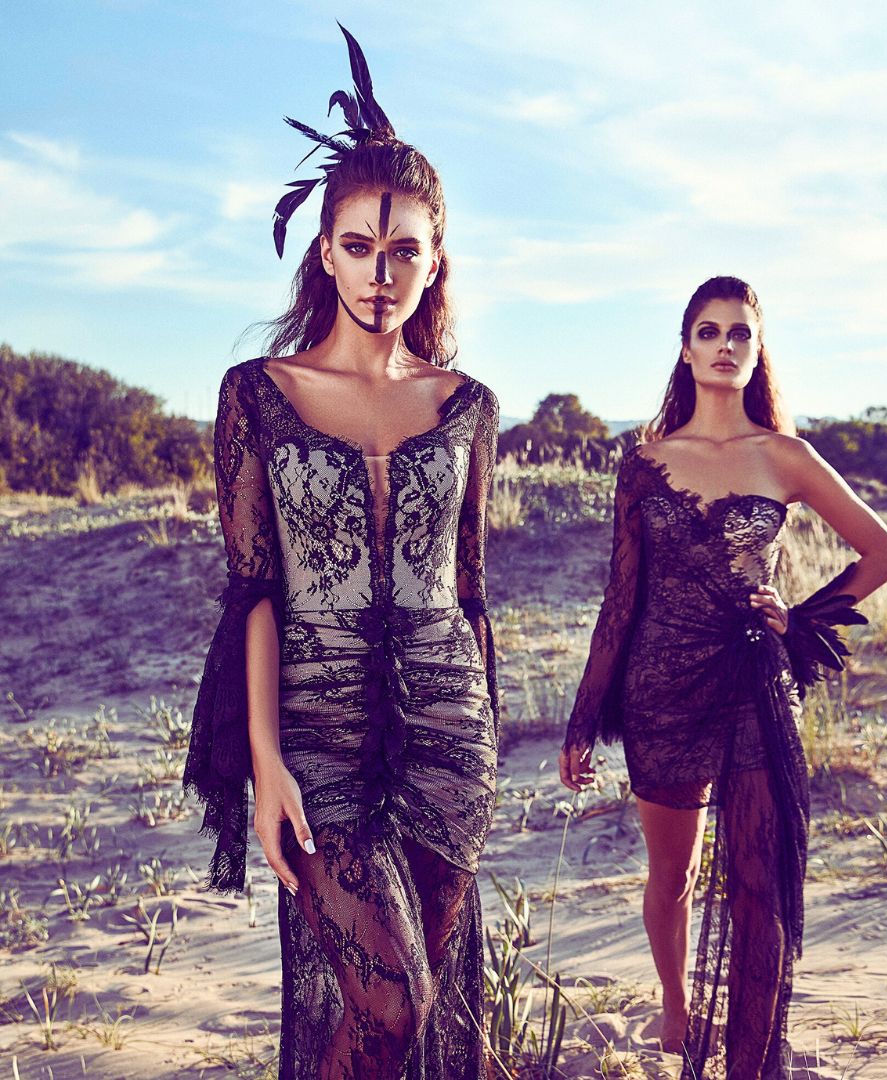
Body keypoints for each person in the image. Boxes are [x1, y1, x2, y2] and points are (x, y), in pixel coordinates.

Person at [183, 27, 500, 1079]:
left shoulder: (467, 408)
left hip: (450, 736)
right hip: (312, 738)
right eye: (360, 248)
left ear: (434, 259)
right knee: (393, 1005)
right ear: (325, 251)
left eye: (404, 249)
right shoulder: (258, 397)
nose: (380, 271)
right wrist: (266, 763)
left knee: (381, 1032)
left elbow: (470, 592)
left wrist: (489, 737)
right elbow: (255, 592)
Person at [558, 276, 887, 1080]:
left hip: (755, 682)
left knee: (757, 880)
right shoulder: (643, 462)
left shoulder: (786, 457)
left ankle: (753, 1054)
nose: (723, 346)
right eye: (708, 332)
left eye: (739, 334)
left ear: (757, 350)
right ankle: (678, 1010)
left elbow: (884, 552)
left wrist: (807, 618)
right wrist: (584, 716)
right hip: (660, 687)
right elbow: (622, 595)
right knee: (672, 876)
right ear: (686, 348)